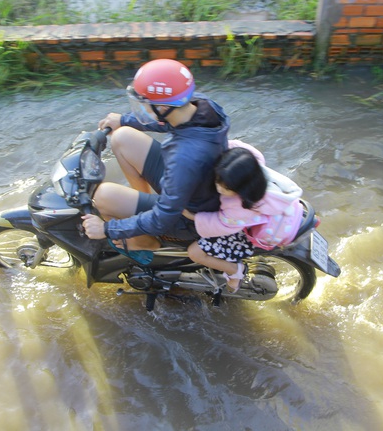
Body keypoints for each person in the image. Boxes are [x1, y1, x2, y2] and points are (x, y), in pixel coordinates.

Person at [82, 59, 230, 253]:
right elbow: (165, 121)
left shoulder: (184, 155)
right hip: (195, 186)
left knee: (102, 196)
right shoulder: (202, 106)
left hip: (188, 220)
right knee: (122, 137)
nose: (142, 108)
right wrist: (124, 120)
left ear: (162, 108)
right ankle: (142, 205)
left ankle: (145, 242)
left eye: (145, 103)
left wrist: (108, 229)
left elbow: (164, 218)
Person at [183, 141, 304, 292]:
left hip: (243, 231)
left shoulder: (241, 206)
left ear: (242, 189)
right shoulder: (251, 165)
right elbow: (237, 148)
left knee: (195, 253)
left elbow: (222, 224)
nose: (219, 188)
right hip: (280, 215)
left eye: (226, 188)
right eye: (218, 182)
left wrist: (193, 217)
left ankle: (235, 271)